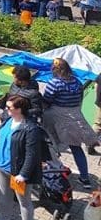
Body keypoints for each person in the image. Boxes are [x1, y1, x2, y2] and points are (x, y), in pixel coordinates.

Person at [42, 57, 98, 187]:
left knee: (51, 144)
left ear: (55, 70)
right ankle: (85, 178)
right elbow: (79, 99)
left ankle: (55, 171)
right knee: (76, 147)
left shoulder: (54, 83)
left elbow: (46, 101)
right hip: (74, 116)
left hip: (55, 117)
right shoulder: (77, 82)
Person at [0, 95, 41, 220]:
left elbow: (32, 154)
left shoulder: (30, 129)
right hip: (1, 167)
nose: (6, 110)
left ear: (19, 110)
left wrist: (23, 174)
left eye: (9, 108)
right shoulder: (8, 120)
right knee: (4, 198)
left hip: (17, 172)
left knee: (24, 202)